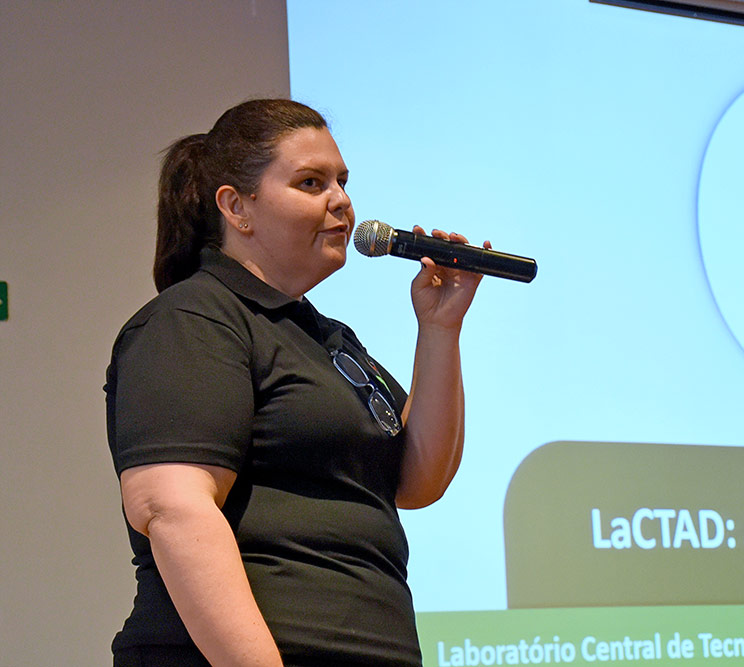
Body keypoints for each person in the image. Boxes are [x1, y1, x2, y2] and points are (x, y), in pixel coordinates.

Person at [105, 98, 486, 666]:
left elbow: (418, 480)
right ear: (237, 208)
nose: (342, 201)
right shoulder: (194, 320)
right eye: (311, 183)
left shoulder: (325, 337)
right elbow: (173, 507)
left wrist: (439, 327)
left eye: (342, 181)